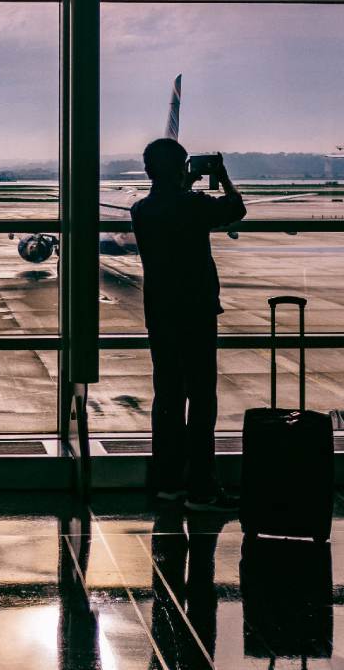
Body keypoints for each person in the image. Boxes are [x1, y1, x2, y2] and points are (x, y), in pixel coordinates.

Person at [130, 138, 246, 511]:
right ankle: (202, 488)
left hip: (160, 314)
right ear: (183, 169)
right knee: (201, 400)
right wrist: (222, 176)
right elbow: (236, 209)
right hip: (196, 313)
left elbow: (170, 204)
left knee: (167, 398)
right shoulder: (195, 205)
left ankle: (167, 484)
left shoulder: (141, 210)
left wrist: (182, 182)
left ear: (148, 171)